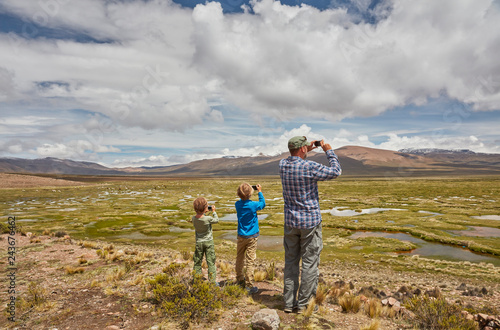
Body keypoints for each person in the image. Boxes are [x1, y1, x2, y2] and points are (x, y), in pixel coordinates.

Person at [279, 136, 341, 313]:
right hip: (310, 222)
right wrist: (328, 150)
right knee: (309, 263)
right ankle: (304, 304)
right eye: (305, 148)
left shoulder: (282, 165)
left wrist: (308, 148)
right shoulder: (310, 167)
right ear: (303, 149)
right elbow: (336, 171)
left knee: (291, 262)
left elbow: (295, 156)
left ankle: (289, 303)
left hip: (290, 222)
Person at [235, 183, 266, 294]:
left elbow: (242, 201)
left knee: (239, 257)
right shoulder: (253, 205)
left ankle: (239, 279)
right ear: (250, 194)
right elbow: (262, 204)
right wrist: (260, 191)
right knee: (250, 260)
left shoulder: (237, 204)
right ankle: (249, 285)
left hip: (241, 236)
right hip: (252, 236)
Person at [192, 197, 219, 284]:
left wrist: (203, 211)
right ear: (205, 208)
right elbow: (216, 220)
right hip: (209, 242)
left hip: (199, 242)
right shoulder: (208, 218)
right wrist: (213, 212)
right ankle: (212, 282)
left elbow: (200, 217)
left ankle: (196, 280)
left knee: (197, 262)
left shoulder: (194, 218)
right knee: (211, 262)